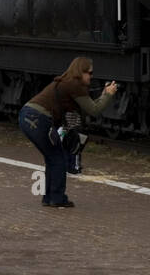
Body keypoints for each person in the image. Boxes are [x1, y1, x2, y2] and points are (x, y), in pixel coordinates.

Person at [18, 57, 119, 209]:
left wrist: (103, 94)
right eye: (89, 73)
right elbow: (94, 110)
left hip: (28, 116)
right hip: (39, 119)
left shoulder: (66, 81)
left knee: (52, 157)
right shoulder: (76, 85)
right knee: (58, 158)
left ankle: (50, 197)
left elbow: (88, 106)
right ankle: (57, 198)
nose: (91, 77)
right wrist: (108, 94)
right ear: (81, 72)